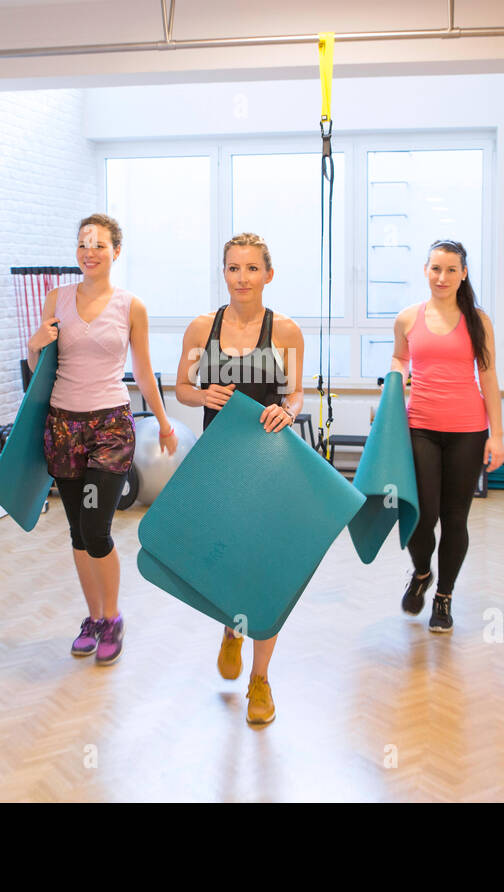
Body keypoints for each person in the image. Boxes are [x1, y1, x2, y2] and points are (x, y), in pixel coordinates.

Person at [27, 214, 177, 666]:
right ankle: (92, 618)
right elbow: (40, 370)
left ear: (116, 251)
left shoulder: (131, 305)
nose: (89, 251)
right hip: (62, 425)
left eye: (98, 244)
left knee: (96, 528)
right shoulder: (57, 299)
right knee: (76, 530)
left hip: (110, 425)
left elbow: (144, 370)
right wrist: (34, 345)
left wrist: (166, 424)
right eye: (81, 244)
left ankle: (112, 617)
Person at [173, 232, 304, 727]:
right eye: (233, 268)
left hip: (269, 463)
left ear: (268, 274)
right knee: (227, 563)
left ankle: (261, 678)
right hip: (218, 462)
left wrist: (288, 412)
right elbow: (181, 387)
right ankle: (232, 627)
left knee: (268, 570)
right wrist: (200, 397)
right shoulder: (202, 328)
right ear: (223, 273)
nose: (242, 277)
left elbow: (295, 395)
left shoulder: (286, 331)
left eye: (252, 268)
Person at [391, 240, 504, 633]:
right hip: (420, 425)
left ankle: (444, 596)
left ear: (463, 273)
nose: (442, 277)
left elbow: (488, 377)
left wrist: (497, 436)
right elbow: (400, 359)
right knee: (421, 515)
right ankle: (422, 572)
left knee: (456, 518)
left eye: (451, 269)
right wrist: (395, 381)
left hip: (468, 431)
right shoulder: (407, 318)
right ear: (425, 270)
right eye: (436, 268)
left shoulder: (478, 320)